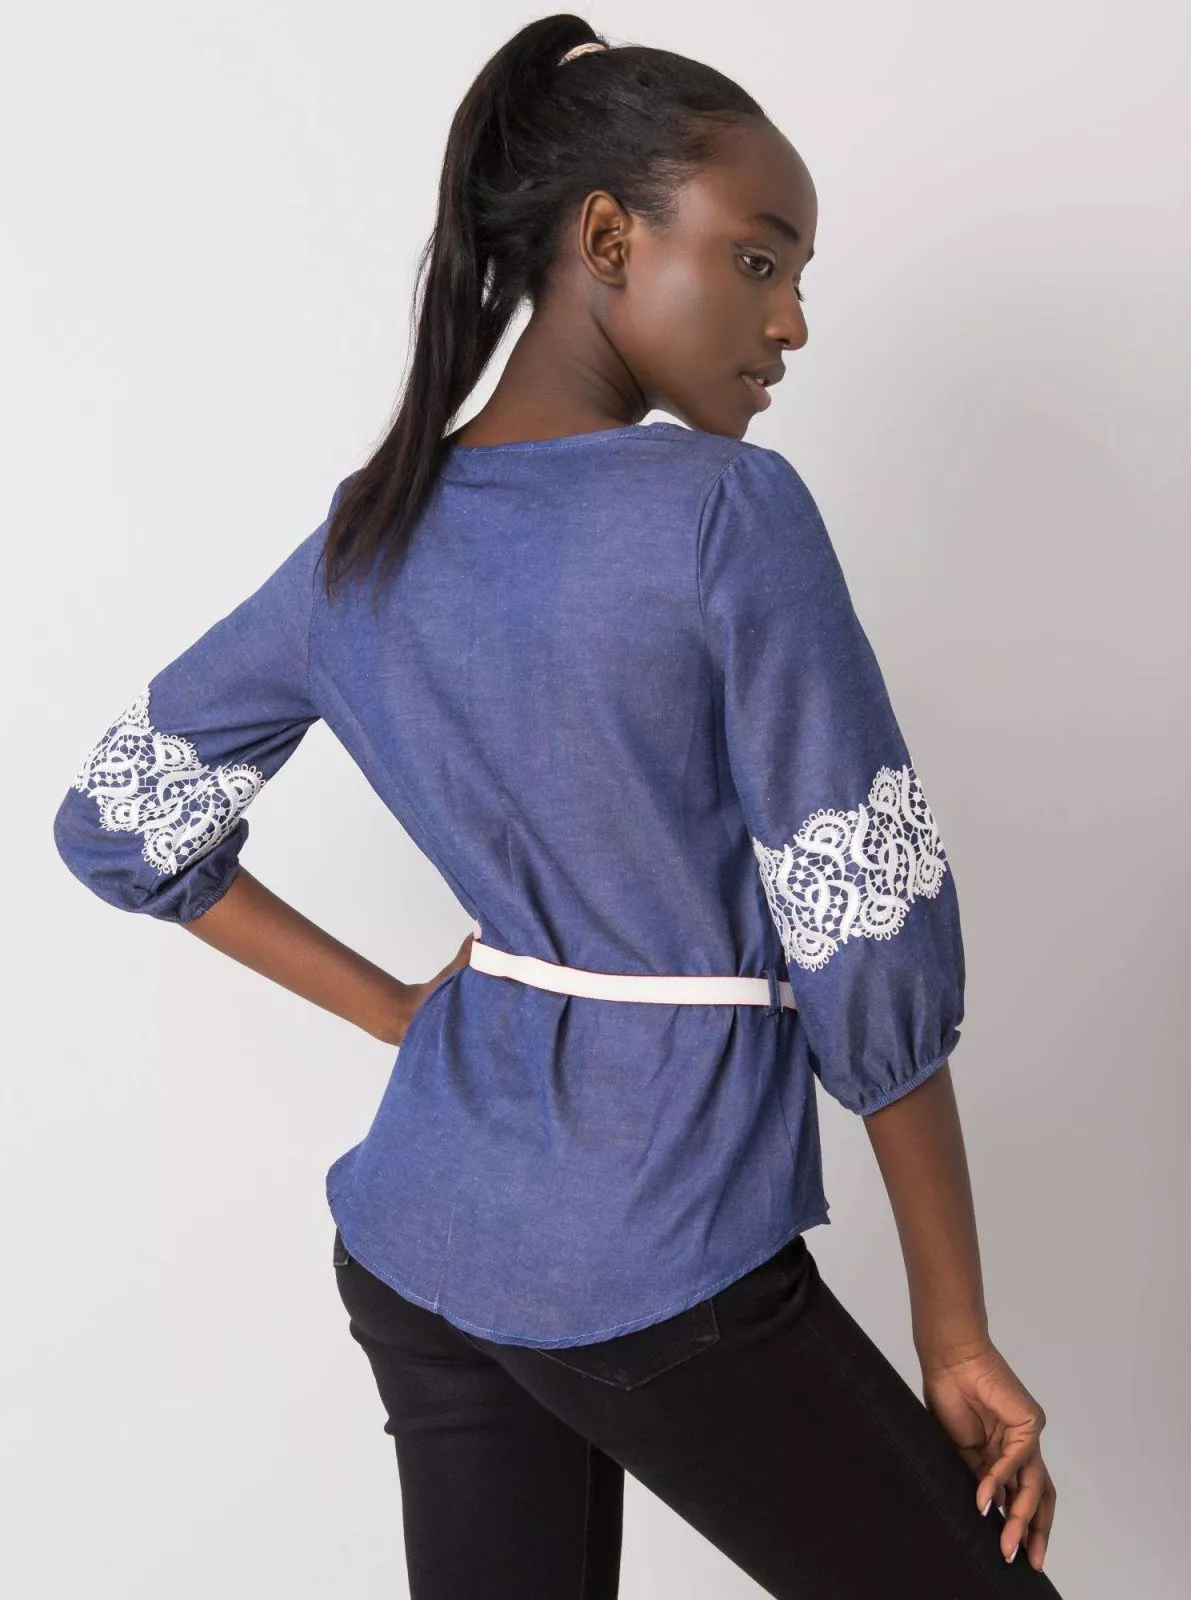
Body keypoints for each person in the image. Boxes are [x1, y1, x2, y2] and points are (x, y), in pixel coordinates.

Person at [51, 15, 1063, 1598]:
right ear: (608, 240)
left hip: (416, 1238)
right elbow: (866, 936)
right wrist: (955, 1329)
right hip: (649, 1252)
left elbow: (119, 823)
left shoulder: (365, 543)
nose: (792, 320)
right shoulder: (725, 513)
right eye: (758, 259)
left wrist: (404, 1017)